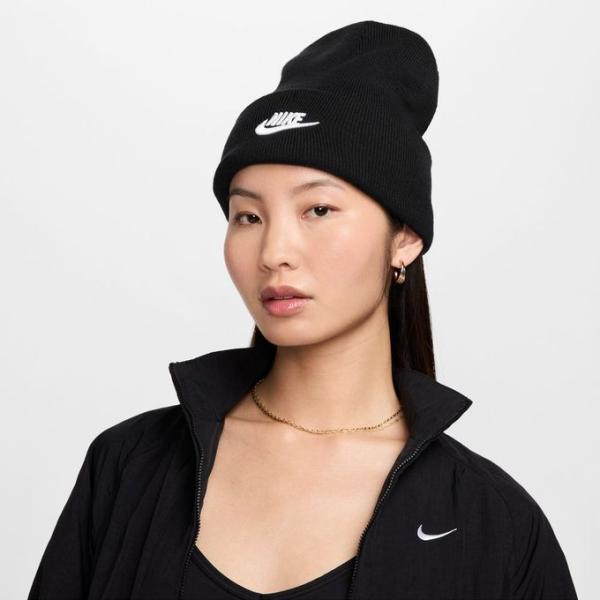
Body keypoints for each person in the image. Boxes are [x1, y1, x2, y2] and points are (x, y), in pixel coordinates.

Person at [28, 20, 578, 600]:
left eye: (318, 210)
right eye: (248, 216)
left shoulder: (494, 522)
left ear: (405, 238)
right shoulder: (129, 466)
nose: (274, 253)